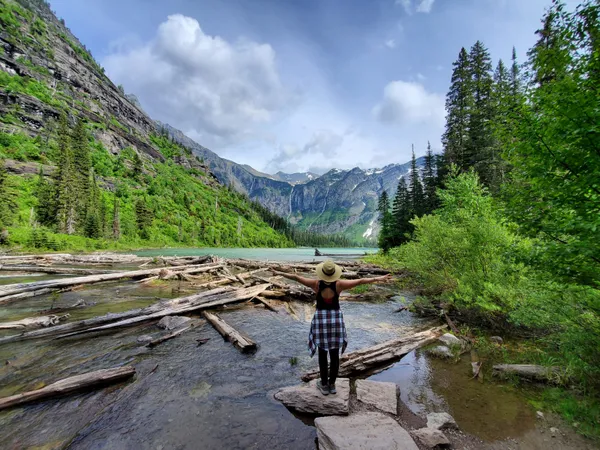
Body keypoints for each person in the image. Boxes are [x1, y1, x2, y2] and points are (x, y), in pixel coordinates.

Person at [273, 260, 392, 395]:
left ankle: (324, 385)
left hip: (321, 320)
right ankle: (332, 385)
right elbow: (360, 281)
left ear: (322, 273)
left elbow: (296, 277)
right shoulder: (339, 284)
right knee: (334, 355)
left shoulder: (316, 284)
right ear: (333, 273)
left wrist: (277, 272)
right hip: (335, 320)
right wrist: (380, 278)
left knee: (323, 353)